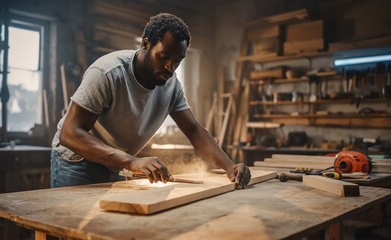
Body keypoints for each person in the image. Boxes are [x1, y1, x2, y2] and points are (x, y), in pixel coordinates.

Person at [50, 13, 251, 189]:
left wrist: (229, 166)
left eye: (178, 61)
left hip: (116, 164)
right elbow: (69, 133)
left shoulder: (171, 85)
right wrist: (130, 161)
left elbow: (194, 130)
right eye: (164, 56)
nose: (170, 67)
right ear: (145, 44)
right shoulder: (107, 73)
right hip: (77, 162)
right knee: (72, 230)